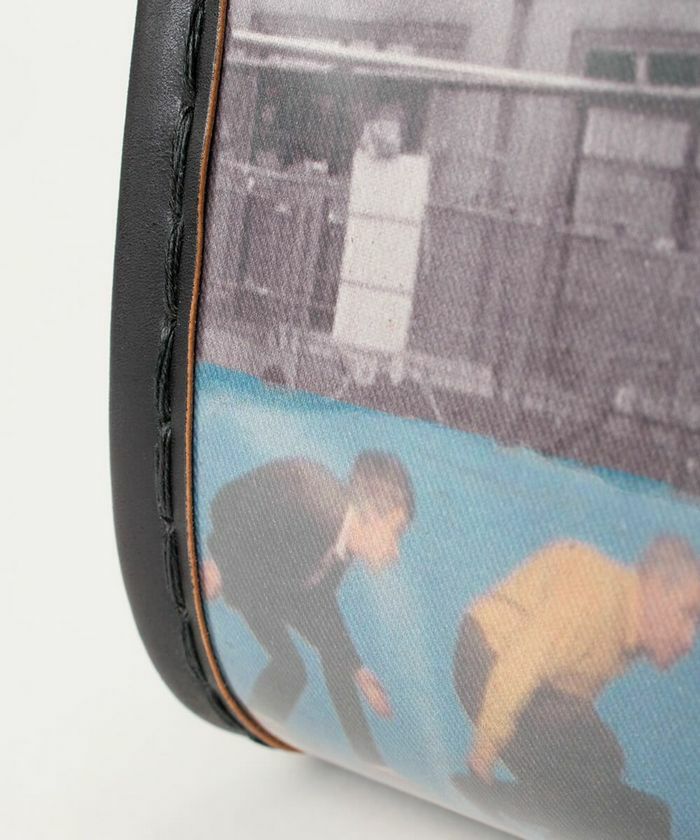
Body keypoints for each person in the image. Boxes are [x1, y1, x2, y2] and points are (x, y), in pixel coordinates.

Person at [453, 536, 700, 839]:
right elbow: (518, 666)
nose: (689, 640)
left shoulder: (629, 626)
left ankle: (522, 803)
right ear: (657, 588)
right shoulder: (596, 603)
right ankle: (497, 799)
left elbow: (571, 692)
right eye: (687, 614)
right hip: (487, 660)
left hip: (536, 687)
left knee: (612, 772)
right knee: (602, 788)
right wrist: (482, 758)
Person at [202, 451, 414, 765]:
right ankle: (251, 730)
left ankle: (260, 731)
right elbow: (228, 501)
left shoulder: (340, 549)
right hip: (247, 570)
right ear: (371, 515)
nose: (395, 551)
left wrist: (357, 670)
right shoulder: (310, 497)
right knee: (290, 669)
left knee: (294, 669)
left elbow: (322, 613)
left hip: (273, 585)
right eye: (395, 533)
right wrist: (219, 564)